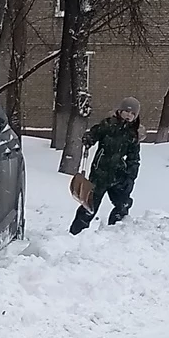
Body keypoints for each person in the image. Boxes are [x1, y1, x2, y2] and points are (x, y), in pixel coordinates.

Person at [69, 97, 143, 235]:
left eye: (133, 114)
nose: (129, 115)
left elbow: (134, 159)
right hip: (100, 174)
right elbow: (94, 133)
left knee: (123, 205)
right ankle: (75, 235)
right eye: (126, 111)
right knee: (89, 207)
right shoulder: (108, 125)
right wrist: (89, 138)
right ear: (120, 111)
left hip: (118, 176)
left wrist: (130, 178)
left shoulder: (133, 135)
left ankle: (114, 233)